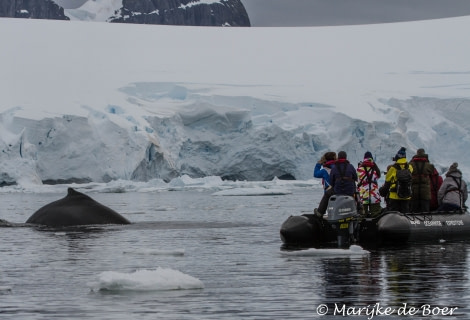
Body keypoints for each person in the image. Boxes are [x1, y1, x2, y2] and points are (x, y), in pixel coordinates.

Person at [315, 151, 357, 217]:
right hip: (349, 191)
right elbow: (355, 178)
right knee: (356, 192)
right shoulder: (351, 166)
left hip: (338, 191)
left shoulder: (334, 168)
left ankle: (320, 212)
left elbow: (332, 181)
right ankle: (359, 209)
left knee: (327, 194)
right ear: (346, 157)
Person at [380, 147, 413, 213]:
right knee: (406, 215)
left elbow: (387, 183)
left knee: (394, 215)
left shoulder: (393, 168)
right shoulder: (410, 167)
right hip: (406, 196)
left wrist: (382, 192)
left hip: (394, 196)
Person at [409, 148, 435, 212]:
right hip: (425, 191)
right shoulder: (428, 165)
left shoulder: (411, 164)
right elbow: (432, 170)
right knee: (425, 211)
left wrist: (412, 160)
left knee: (413, 210)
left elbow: (408, 169)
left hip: (414, 190)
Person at [357, 151, 382, 217]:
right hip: (374, 196)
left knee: (362, 216)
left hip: (363, 196)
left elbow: (356, 180)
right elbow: (379, 176)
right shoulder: (376, 170)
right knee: (376, 215)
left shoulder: (359, 170)